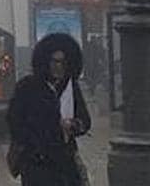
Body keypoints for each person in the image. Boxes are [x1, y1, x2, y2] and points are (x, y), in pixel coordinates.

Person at [6, 32, 92, 186]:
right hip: (37, 164)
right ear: (46, 61)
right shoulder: (27, 87)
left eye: (63, 63)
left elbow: (85, 120)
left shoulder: (71, 87)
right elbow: (14, 122)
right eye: (55, 61)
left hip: (65, 162)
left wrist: (74, 125)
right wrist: (34, 145)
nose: (59, 67)